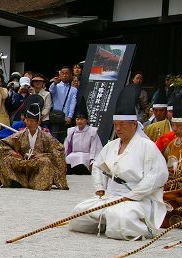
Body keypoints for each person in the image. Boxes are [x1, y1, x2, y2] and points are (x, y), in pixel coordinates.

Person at [69, 86, 168, 240]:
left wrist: (132, 195)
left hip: (137, 199)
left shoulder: (147, 146)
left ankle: (143, 227)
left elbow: (157, 176)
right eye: (116, 124)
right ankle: (106, 221)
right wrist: (100, 186)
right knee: (78, 214)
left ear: (134, 124)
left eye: (122, 124)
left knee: (121, 218)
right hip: (111, 196)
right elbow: (97, 166)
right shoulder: (111, 146)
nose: (118, 128)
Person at [0, 95, 69, 190]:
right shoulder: (20, 134)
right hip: (22, 161)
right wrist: (14, 153)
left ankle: (37, 182)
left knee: (46, 162)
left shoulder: (46, 136)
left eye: (32, 121)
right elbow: (4, 143)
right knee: (7, 160)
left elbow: (59, 149)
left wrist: (44, 155)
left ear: (38, 122)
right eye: (28, 121)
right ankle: (18, 181)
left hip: (37, 163)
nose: (29, 123)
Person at [64, 100, 102, 175]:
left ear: (86, 120)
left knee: (81, 159)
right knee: (68, 159)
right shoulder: (72, 131)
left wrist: (92, 160)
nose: (79, 121)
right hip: (73, 154)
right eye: (77, 119)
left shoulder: (92, 132)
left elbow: (94, 148)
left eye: (82, 119)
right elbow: (66, 146)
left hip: (86, 155)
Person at [48, 66, 78, 143]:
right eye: (63, 73)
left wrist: (70, 116)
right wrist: (54, 83)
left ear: (70, 75)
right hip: (55, 116)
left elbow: (72, 104)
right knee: (53, 139)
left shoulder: (73, 89)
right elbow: (51, 90)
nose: (64, 75)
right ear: (59, 75)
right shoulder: (56, 86)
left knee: (63, 139)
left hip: (66, 118)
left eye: (67, 73)